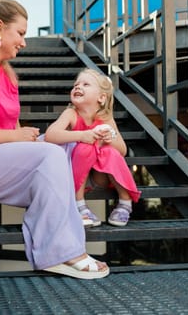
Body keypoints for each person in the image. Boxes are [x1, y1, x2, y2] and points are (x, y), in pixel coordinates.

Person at [0, 0, 109, 279]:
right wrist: (17, 136)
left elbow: (10, 128)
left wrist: (27, 139)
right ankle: (60, 252)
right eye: (20, 33)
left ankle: (61, 242)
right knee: (50, 154)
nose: (23, 42)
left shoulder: (6, 75)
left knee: (60, 144)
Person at [45, 68, 141, 227]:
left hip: (99, 175)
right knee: (84, 147)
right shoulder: (71, 113)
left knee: (110, 151)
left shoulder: (105, 119)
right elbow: (50, 135)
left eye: (85, 84)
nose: (77, 87)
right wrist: (82, 136)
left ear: (101, 98)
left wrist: (110, 139)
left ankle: (125, 202)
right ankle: (79, 204)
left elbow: (122, 150)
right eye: (76, 84)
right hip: (76, 172)